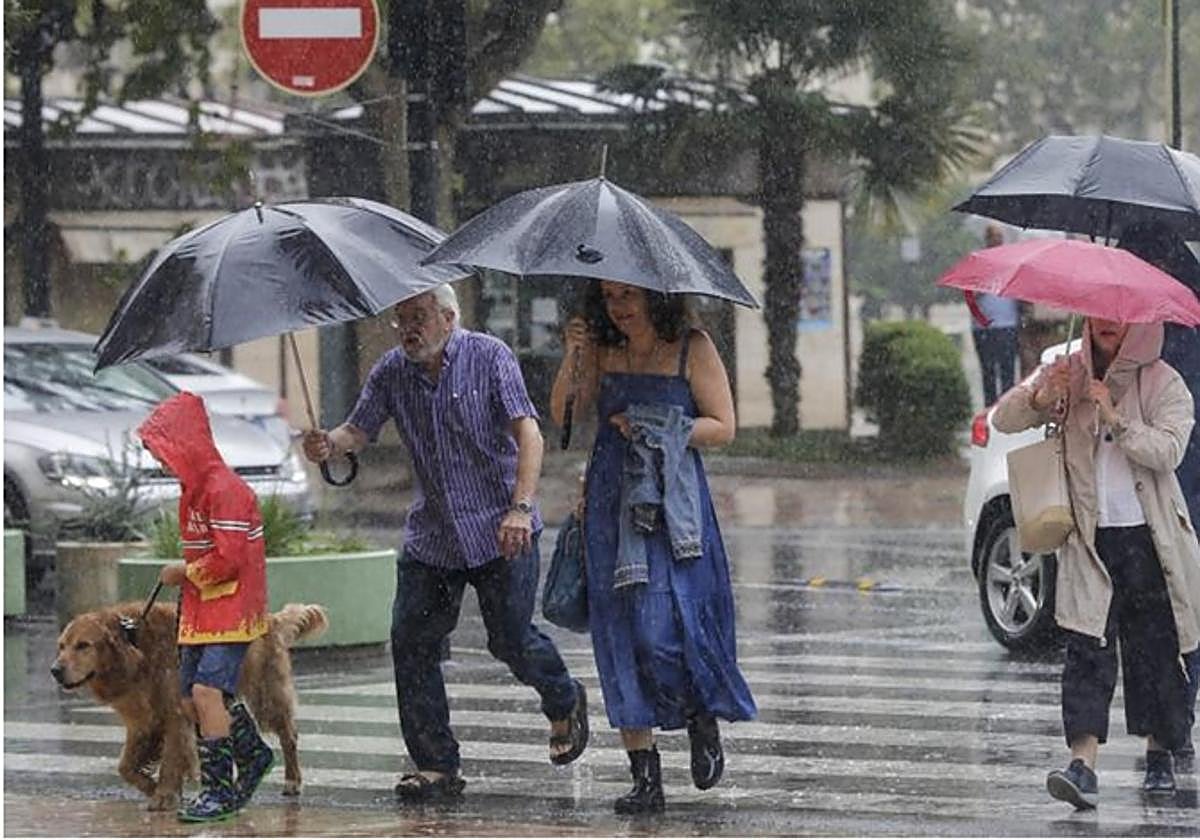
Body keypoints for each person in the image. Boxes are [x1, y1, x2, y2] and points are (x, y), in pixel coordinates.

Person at [301, 284, 588, 802]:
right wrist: (329, 443)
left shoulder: (489, 355)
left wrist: (521, 508)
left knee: (511, 640)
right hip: (434, 534)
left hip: (501, 527)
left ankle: (564, 699)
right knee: (411, 641)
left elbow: (530, 434)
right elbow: (358, 431)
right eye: (400, 318)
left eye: (419, 316)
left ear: (448, 317)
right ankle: (435, 763)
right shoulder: (392, 370)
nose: (409, 328)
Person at [550, 281, 757, 814]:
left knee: (666, 629)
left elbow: (724, 426)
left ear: (653, 296)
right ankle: (644, 774)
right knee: (620, 634)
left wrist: (656, 425)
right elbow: (563, 416)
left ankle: (697, 715)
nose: (618, 307)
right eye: (608, 297)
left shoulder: (692, 345)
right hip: (610, 500)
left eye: (627, 295)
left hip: (673, 506)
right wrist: (575, 351)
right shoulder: (600, 344)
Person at [993, 317, 1200, 809]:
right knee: (1087, 649)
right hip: (1090, 540)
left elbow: (1168, 451)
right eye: (1099, 314)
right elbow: (1004, 418)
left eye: (1120, 316)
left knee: (1156, 651)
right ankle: (1082, 766)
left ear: (1139, 323)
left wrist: (1116, 417)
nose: (1109, 324)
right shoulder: (1070, 372)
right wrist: (1044, 397)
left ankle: (1159, 756)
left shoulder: (1163, 381)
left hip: (1152, 542)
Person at [139, 392, 275, 823]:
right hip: (200, 609)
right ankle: (252, 755)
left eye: (163, 452)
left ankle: (218, 788)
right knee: (187, 699)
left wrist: (185, 572)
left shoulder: (224, 490)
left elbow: (231, 558)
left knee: (206, 691)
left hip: (230, 609)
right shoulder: (192, 492)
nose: (161, 462)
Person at [971, 225, 1021, 405]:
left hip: (1008, 324)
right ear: (987, 239)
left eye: (1000, 237)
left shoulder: (1011, 262)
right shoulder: (978, 261)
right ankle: (990, 407)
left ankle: (1006, 408)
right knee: (989, 371)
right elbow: (970, 294)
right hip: (983, 326)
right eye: (994, 237)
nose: (998, 240)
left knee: (1008, 370)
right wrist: (985, 282)